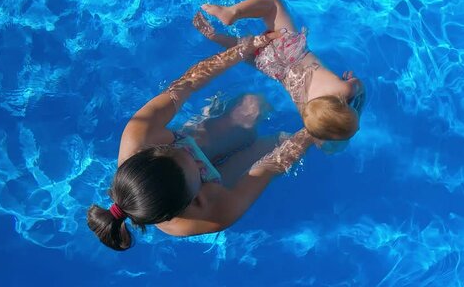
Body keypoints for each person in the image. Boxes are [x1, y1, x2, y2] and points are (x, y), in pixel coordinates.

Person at [87, 14, 318, 251]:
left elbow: (187, 83)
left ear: (152, 151)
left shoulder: (140, 133)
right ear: (189, 201)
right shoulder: (209, 213)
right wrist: (317, 129)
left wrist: (243, 49)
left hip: (194, 142)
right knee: (280, 144)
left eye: (175, 153)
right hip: (215, 185)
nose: (197, 164)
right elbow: (266, 168)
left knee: (253, 106)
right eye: (196, 171)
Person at [194, 0, 365, 142]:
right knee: (242, 51)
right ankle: (214, 36)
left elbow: (358, 85)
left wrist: (357, 102)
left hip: (292, 51)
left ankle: (232, 12)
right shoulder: (307, 112)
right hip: (274, 68)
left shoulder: (345, 88)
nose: (358, 129)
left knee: (273, 3)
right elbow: (318, 133)